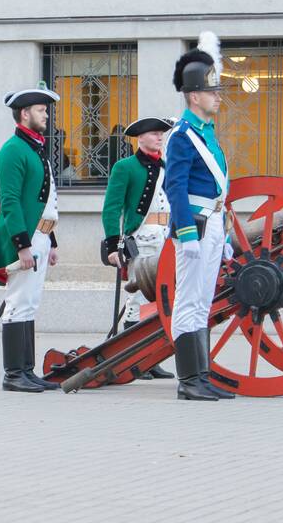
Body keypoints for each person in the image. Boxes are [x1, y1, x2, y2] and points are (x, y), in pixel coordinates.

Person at [165, 33, 236, 401]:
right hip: (195, 229)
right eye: (212, 91)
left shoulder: (208, 135)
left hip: (212, 228)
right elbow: (174, 188)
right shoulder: (182, 136)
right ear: (194, 96)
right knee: (188, 301)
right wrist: (188, 234)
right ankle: (188, 379)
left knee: (203, 301)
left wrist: (223, 238)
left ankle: (202, 376)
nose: (218, 96)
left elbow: (218, 194)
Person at [0, 83, 61, 392]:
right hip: (25, 239)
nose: (47, 115)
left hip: (39, 236)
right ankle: (13, 374)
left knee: (29, 303)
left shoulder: (34, 147)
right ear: (25, 113)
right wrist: (23, 246)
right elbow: (11, 202)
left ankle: (27, 371)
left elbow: (45, 198)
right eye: (42, 111)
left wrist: (51, 242)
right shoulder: (12, 151)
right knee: (18, 302)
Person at [101, 116, 175, 380]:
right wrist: (113, 245)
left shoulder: (167, 166)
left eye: (161, 134)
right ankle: (135, 358)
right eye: (155, 134)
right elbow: (111, 208)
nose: (159, 138)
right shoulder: (126, 167)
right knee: (136, 299)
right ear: (140, 138)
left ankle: (152, 359)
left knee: (160, 300)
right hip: (141, 237)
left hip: (165, 236)